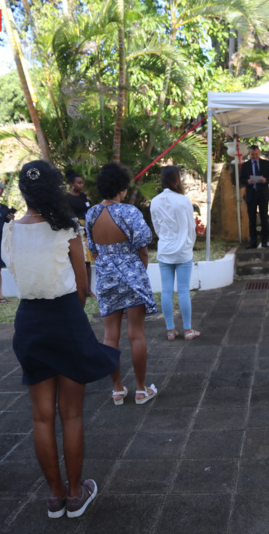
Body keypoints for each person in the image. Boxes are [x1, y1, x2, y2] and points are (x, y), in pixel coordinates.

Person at [2, 160, 119, 518]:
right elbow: (83, 287)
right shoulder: (67, 229)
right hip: (65, 317)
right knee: (71, 415)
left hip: (30, 322)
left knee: (41, 417)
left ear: (23, 192)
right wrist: (70, 314)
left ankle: (55, 497)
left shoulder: (10, 230)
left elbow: (15, 271)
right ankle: (74, 493)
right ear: (56, 189)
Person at [86, 163, 158, 406]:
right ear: (121, 188)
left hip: (106, 278)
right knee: (136, 334)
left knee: (110, 336)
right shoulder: (130, 212)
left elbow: (93, 251)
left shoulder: (91, 214)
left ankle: (117, 389)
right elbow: (143, 251)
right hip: (132, 276)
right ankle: (140, 389)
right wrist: (139, 274)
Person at [150, 166, 201, 341]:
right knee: (184, 290)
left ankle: (170, 331)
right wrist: (188, 244)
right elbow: (191, 227)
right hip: (183, 251)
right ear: (177, 179)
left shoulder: (155, 201)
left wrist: (165, 240)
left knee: (166, 291)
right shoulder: (183, 200)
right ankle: (188, 330)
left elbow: (156, 227)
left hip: (165, 250)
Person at [239, 145, 269, 249]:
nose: (254, 156)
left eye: (256, 154)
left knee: (264, 219)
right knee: (252, 220)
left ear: (259, 153)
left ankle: (264, 242)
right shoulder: (245, 165)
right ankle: (253, 242)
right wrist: (247, 182)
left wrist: (266, 180)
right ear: (249, 154)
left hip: (263, 194)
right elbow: (241, 179)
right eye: (252, 155)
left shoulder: (265, 163)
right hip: (251, 194)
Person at [65, 169, 95, 297]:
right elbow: (68, 214)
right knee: (77, 261)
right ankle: (77, 289)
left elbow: (89, 211)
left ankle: (88, 290)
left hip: (86, 230)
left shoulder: (83, 197)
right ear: (71, 184)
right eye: (78, 183)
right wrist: (78, 225)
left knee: (87, 261)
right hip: (75, 230)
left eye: (82, 183)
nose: (81, 185)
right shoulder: (67, 198)